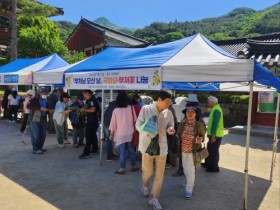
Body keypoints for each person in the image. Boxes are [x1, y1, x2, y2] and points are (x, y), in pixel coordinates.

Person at [136, 90, 175, 210]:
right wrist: (152, 131)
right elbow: (138, 125)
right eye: (167, 102)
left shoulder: (168, 112)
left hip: (162, 148)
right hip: (147, 146)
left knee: (160, 175)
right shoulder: (146, 109)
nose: (168, 104)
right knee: (148, 173)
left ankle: (154, 198)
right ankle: (145, 185)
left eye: (170, 102)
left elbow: (171, 125)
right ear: (159, 99)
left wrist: (170, 130)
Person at [172, 93, 205, 177]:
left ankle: (182, 172)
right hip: (189, 142)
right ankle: (188, 175)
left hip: (190, 142)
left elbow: (199, 128)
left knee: (186, 159)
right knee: (189, 161)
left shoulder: (192, 110)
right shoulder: (197, 111)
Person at [177, 106, 205, 199]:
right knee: (185, 168)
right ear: (185, 113)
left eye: (192, 112)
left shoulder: (199, 125)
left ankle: (189, 189)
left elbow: (202, 136)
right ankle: (189, 180)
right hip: (183, 150)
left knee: (191, 170)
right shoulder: (182, 123)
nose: (190, 113)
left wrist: (200, 138)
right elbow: (178, 133)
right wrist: (176, 135)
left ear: (195, 114)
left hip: (193, 151)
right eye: (188, 111)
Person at [109, 92, 139, 174]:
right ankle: (134, 166)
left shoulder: (116, 110)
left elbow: (113, 124)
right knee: (131, 149)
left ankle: (122, 168)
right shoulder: (131, 108)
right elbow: (135, 120)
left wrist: (111, 134)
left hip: (120, 134)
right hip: (130, 132)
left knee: (122, 151)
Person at [202, 96, 224, 172]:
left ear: (212, 102)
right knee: (210, 149)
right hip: (214, 134)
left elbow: (215, 123)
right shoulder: (215, 109)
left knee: (214, 151)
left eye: (208, 102)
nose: (208, 103)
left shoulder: (216, 110)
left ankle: (214, 167)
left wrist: (213, 135)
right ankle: (208, 163)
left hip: (216, 135)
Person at [78, 90, 100, 159]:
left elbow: (93, 110)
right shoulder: (88, 100)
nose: (84, 96)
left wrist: (84, 110)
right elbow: (87, 108)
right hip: (89, 120)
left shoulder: (93, 100)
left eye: (84, 94)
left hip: (92, 121)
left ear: (87, 93)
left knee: (88, 136)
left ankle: (86, 152)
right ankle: (94, 149)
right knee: (93, 135)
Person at [27, 88, 49, 154]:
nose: (45, 95)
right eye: (44, 93)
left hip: (43, 118)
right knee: (35, 134)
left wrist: (48, 110)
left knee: (42, 134)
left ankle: (40, 147)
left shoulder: (44, 100)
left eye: (46, 94)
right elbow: (28, 106)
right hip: (35, 119)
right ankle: (35, 149)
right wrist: (40, 108)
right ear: (40, 93)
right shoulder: (34, 99)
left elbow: (45, 107)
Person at [104, 97, 117, 161]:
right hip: (110, 123)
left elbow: (105, 113)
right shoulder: (118, 105)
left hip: (106, 122)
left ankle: (111, 154)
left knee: (109, 140)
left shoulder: (111, 104)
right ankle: (109, 156)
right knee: (109, 140)